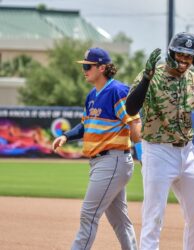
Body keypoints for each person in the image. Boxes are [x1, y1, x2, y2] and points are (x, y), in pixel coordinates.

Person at [125, 32, 194, 250]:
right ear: (171, 52)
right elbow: (131, 108)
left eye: (190, 56)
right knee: (153, 218)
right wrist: (145, 78)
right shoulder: (152, 75)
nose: (184, 60)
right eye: (180, 54)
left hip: (187, 152)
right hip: (157, 151)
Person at [52, 47, 140, 250]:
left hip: (113, 160)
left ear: (102, 68)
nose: (84, 69)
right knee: (119, 220)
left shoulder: (117, 91)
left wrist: (143, 153)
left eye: (87, 66)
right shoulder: (92, 95)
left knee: (88, 215)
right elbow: (85, 125)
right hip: (103, 162)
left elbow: (134, 122)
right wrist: (66, 135)